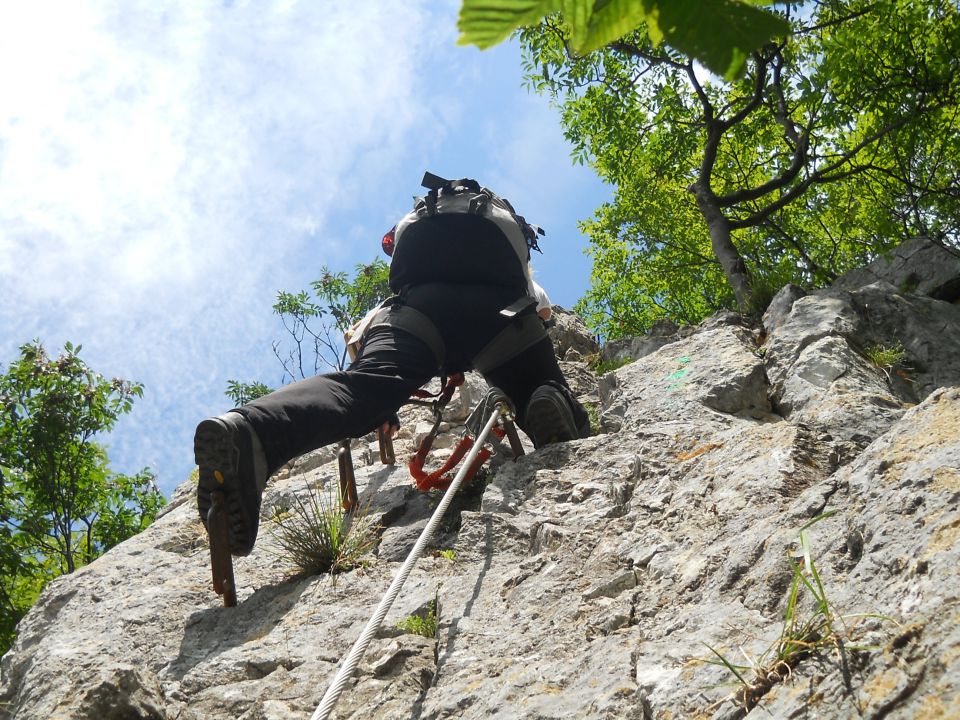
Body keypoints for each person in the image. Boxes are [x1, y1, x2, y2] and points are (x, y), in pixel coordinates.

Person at [194, 175, 590, 557]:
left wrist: (383, 402)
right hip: (501, 315)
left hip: (413, 313)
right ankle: (545, 400)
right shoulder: (512, 267)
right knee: (537, 383)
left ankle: (252, 430)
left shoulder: (421, 268)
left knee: (361, 389)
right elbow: (540, 310)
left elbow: (365, 339)